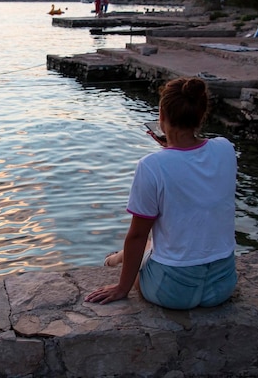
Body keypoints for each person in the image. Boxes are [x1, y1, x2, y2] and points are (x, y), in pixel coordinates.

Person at [85, 77, 238, 310]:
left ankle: (116, 258)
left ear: (162, 116)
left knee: (147, 242)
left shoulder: (152, 165)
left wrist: (121, 289)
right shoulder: (226, 148)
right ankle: (116, 257)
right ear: (201, 114)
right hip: (222, 284)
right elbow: (192, 168)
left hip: (172, 290)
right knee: (160, 240)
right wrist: (170, 149)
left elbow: (137, 235)